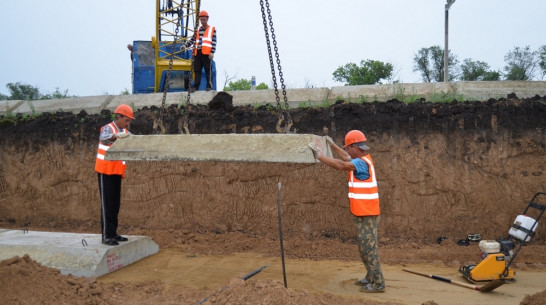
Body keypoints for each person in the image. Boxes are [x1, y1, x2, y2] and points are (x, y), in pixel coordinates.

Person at [308, 130, 385, 293]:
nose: (348, 151)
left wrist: (319, 157)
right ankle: (371, 276)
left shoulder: (361, 163)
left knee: (369, 248)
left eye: (349, 148)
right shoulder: (361, 159)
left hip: (367, 214)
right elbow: (345, 158)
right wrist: (333, 145)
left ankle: (378, 283)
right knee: (364, 248)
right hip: (362, 213)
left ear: (355, 146)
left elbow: (343, 165)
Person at [95, 104, 135, 246]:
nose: (128, 123)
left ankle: (113, 233)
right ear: (119, 116)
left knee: (115, 204)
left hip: (117, 171)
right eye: (126, 120)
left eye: (129, 121)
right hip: (105, 171)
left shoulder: (124, 131)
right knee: (107, 205)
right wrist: (115, 135)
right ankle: (106, 236)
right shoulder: (109, 128)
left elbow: (134, 140)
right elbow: (104, 138)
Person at [185, 10, 216, 92]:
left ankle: (209, 86)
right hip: (197, 53)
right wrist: (185, 45)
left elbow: (214, 42)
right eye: (201, 20)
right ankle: (195, 87)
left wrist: (212, 52)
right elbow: (192, 40)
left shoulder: (212, 30)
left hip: (206, 53)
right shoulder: (197, 30)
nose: (202, 21)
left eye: (204, 19)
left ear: (207, 19)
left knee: (208, 71)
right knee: (197, 70)